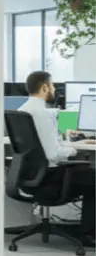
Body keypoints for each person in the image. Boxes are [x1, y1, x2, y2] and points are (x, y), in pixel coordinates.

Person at [19, 71, 95, 233]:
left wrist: (66, 142)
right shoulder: (42, 113)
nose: (54, 89)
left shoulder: (23, 110)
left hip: (29, 175)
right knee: (93, 174)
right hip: (49, 177)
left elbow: (44, 144)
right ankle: (89, 234)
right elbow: (53, 154)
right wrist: (74, 149)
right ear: (44, 87)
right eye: (52, 85)